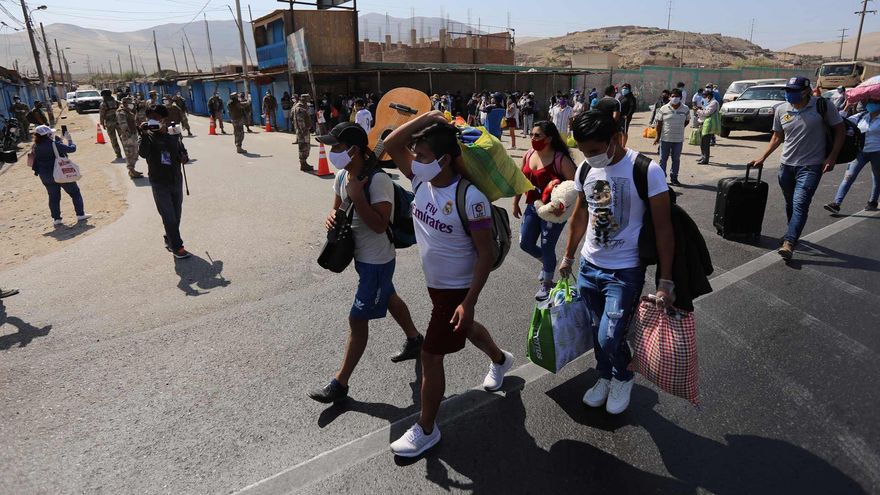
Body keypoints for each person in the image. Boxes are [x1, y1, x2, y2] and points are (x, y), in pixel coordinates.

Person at [383, 112, 515, 457]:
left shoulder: (470, 198)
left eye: (422, 156)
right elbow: (390, 144)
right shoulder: (419, 181)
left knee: (430, 355)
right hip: (437, 287)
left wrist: (468, 300)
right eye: (416, 156)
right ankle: (501, 360)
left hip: (457, 288)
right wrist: (428, 116)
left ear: (443, 159)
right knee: (466, 329)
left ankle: (426, 428)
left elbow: (484, 254)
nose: (415, 161)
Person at [559, 110, 675, 415]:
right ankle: (605, 375)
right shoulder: (585, 170)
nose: (589, 157)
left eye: (594, 150)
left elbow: (664, 228)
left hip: (624, 272)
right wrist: (568, 256)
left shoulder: (646, 170)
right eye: (583, 151)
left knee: (610, 335)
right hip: (589, 266)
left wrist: (665, 281)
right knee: (599, 329)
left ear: (614, 140)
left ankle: (623, 376)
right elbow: (581, 215)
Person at [308, 123, 425, 404]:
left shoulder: (378, 181)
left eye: (336, 147)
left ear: (354, 150)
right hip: (361, 258)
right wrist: (331, 217)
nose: (331, 151)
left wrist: (359, 197)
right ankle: (415, 339)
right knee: (389, 296)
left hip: (378, 259)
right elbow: (336, 208)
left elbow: (378, 224)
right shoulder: (342, 176)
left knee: (357, 319)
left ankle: (340, 383)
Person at [748, 76, 845, 260]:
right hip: (786, 167)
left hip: (811, 166)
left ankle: (789, 242)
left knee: (800, 203)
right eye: (788, 90)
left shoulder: (822, 106)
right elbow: (777, 137)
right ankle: (793, 230)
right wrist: (763, 157)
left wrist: (831, 157)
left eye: (794, 91)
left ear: (806, 91)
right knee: (790, 203)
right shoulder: (781, 109)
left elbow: (839, 130)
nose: (789, 94)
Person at [513, 121, 577, 300]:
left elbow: (576, 187)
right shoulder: (529, 154)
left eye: (537, 135)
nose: (533, 138)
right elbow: (521, 179)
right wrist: (516, 202)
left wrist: (563, 208)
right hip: (533, 206)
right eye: (532, 134)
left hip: (553, 212)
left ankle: (547, 284)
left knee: (548, 245)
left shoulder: (560, 160)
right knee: (525, 243)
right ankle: (547, 263)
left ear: (549, 138)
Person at [138, 105, 191, 259]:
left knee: (176, 214)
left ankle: (169, 238)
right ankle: (177, 247)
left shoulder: (172, 132)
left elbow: (183, 151)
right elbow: (143, 153)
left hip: (176, 179)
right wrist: (142, 132)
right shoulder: (146, 135)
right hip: (159, 182)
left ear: (163, 119)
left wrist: (184, 157)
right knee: (168, 215)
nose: (154, 121)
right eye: (151, 118)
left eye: (157, 118)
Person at [824, 101, 880, 214]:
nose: (870, 104)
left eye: (874, 102)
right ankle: (836, 203)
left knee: (877, 178)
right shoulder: (861, 116)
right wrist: (846, 107)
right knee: (849, 177)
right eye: (869, 101)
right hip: (860, 152)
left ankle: (872, 201)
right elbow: (840, 121)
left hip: (877, 152)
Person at [31, 125, 91, 227]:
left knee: (53, 197)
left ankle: (56, 219)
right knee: (75, 192)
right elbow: (72, 149)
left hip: (45, 176)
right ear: (48, 134)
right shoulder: (54, 144)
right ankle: (80, 214)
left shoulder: (35, 146)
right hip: (60, 173)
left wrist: (59, 141)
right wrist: (70, 139)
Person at [653, 88, 690, 186]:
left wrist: (678, 128)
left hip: (678, 139)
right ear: (669, 97)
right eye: (673, 96)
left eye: (677, 96)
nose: (674, 98)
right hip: (665, 138)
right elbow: (659, 124)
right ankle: (661, 179)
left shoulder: (685, 109)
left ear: (681, 98)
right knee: (662, 159)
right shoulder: (663, 108)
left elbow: (686, 121)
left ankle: (674, 178)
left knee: (676, 159)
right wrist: (657, 137)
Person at [116, 96, 145, 179]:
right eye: (129, 103)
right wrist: (129, 136)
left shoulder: (128, 111)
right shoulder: (121, 112)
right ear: (125, 103)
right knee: (130, 154)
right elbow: (123, 125)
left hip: (133, 134)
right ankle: (131, 171)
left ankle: (132, 170)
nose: (131, 105)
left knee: (135, 153)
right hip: (128, 136)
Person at [695, 89, 720, 164]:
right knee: (702, 142)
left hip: (709, 125)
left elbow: (707, 113)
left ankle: (705, 159)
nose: (703, 97)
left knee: (705, 142)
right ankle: (703, 156)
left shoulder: (714, 103)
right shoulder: (708, 102)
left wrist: (698, 111)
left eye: (704, 95)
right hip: (703, 123)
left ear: (708, 96)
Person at [99, 89, 123, 161]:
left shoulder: (103, 104)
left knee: (113, 139)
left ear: (104, 96)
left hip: (109, 123)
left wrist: (102, 123)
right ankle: (128, 152)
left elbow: (102, 115)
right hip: (119, 122)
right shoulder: (117, 102)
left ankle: (118, 154)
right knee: (123, 138)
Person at [294, 94, 313, 172]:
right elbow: (300, 121)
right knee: (303, 147)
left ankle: (304, 163)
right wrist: (304, 130)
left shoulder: (303, 106)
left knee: (306, 146)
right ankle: (303, 164)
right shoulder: (300, 108)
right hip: (302, 131)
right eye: (308, 100)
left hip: (304, 130)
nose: (309, 101)